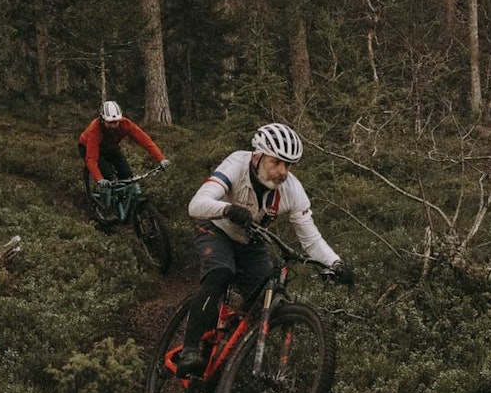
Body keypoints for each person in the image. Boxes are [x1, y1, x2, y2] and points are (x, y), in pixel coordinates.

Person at [176, 121, 353, 378]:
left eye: (288, 165)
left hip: (251, 240)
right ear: (258, 156)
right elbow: (197, 204)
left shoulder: (292, 190)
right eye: (276, 162)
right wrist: (226, 209)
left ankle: (233, 359)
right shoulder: (236, 164)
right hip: (216, 228)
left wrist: (335, 263)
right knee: (221, 272)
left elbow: (310, 237)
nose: (283, 171)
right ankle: (190, 350)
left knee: (266, 304)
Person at [78, 100, 170, 191]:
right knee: (106, 176)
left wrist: (161, 159)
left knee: (127, 175)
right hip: (87, 147)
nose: (114, 125)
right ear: (103, 120)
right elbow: (91, 158)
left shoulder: (125, 124)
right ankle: (105, 201)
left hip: (110, 146)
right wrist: (99, 179)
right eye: (110, 122)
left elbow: (145, 141)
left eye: (116, 122)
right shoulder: (94, 130)